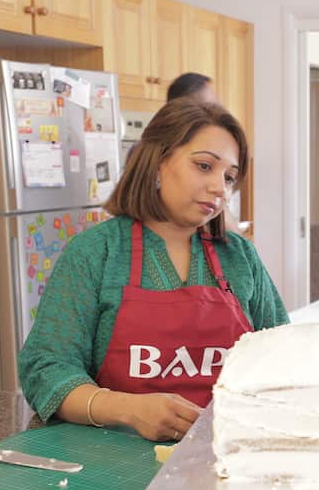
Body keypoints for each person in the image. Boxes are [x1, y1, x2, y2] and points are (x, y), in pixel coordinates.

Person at [18, 98, 288, 442]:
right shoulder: (96, 253)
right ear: (158, 162)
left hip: (224, 454)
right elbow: (45, 369)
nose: (220, 188)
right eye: (205, 166)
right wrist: (127, 409)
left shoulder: (240, 257)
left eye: (230, 176)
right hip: (111, 459)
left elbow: (281, 357)